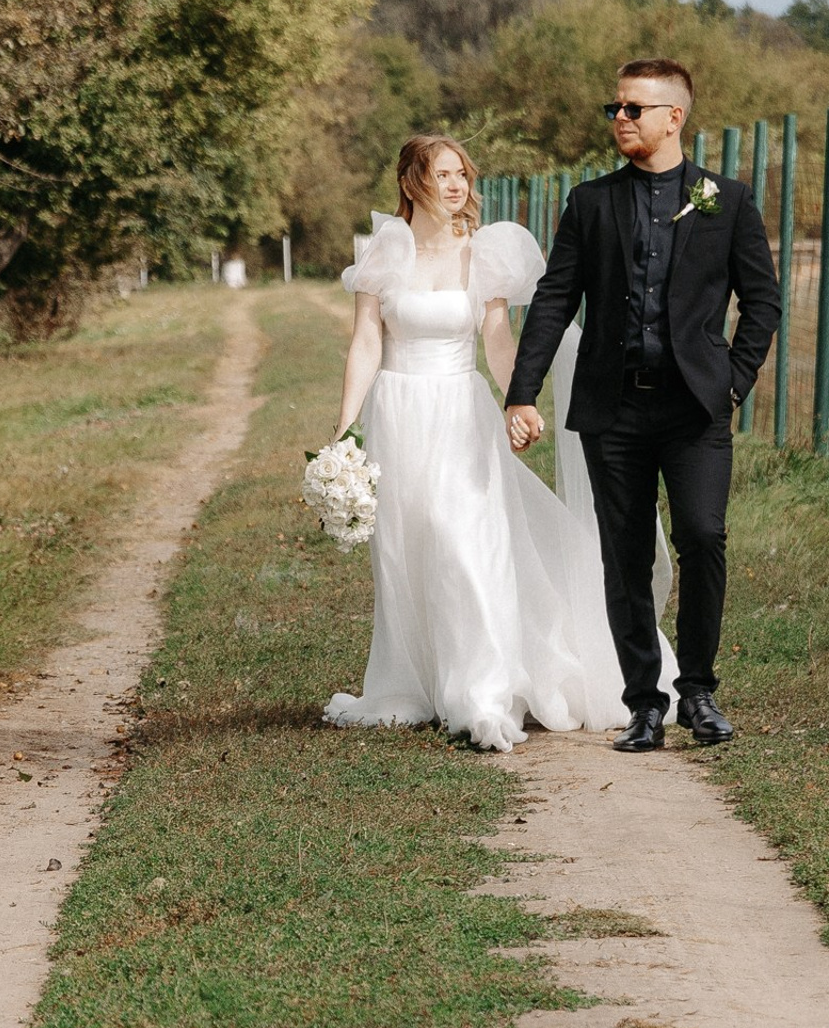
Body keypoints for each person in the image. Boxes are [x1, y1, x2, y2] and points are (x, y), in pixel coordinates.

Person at [320, 135, 649, 751]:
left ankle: (482, 690)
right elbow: (366, 341)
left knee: (463, 541)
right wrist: (344, 430)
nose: (457, 186)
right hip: (398, 410)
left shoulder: (484, 254)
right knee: (407, 547)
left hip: (459, 412)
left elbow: (499, 341)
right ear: (412, 180)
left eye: (463, 176)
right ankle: (416, 682)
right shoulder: (382, 252)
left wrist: (517, 401)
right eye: (443, 174)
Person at [504, 58, 780, 751]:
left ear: (673, 118)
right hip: (612, 412)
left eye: (633, 108)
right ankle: (644, 704)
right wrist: (522, 391)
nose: (620, 119)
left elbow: (762, 304)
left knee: (703, 537)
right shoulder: (591, 203)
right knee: (624, 556)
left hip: (695, 412)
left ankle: (700, 692)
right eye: (616, 108)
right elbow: (554, 302)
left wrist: (733, 382)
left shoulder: (729, 201)